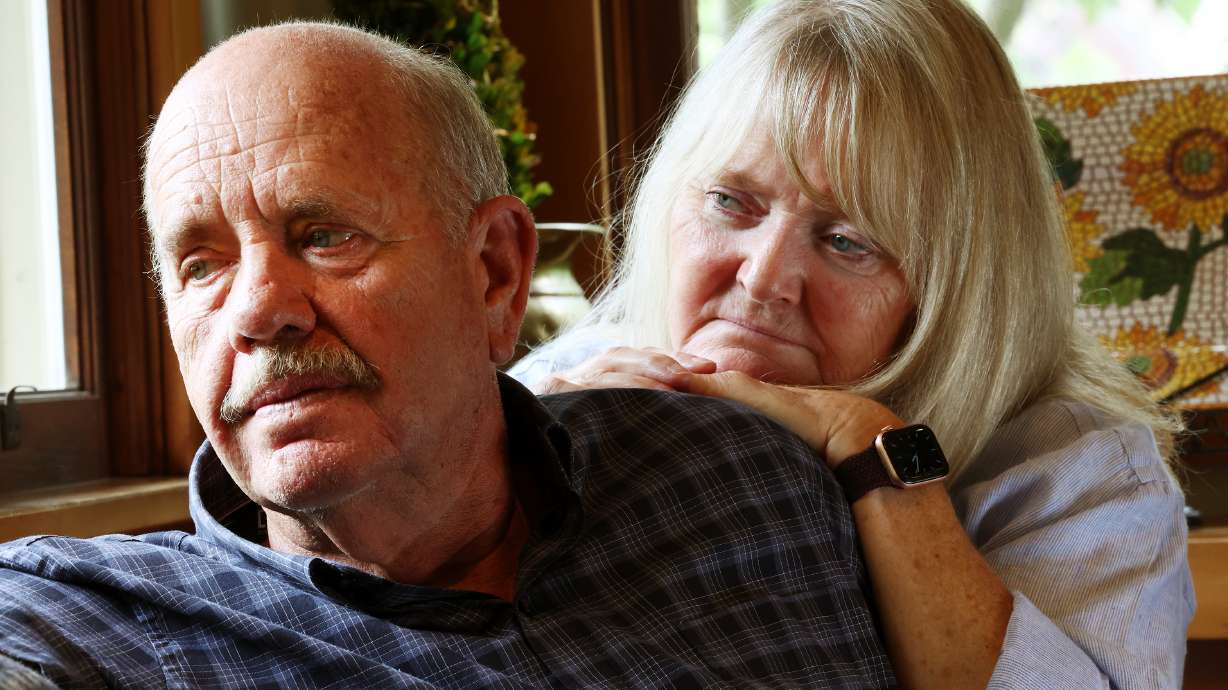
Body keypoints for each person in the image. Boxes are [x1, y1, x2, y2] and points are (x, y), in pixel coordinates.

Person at [0, 21, 899, 689]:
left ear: (496, 272)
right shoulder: (100, 625)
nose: (258, 310)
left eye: (322, 235)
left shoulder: (744, 483)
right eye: (203, 264)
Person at [511, 1, 1194, 688]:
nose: (763, 277)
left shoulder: (1077, 472)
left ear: (957, 289)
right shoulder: (569, 381)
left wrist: (876, 454)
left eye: (847, 242)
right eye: (730, 202)